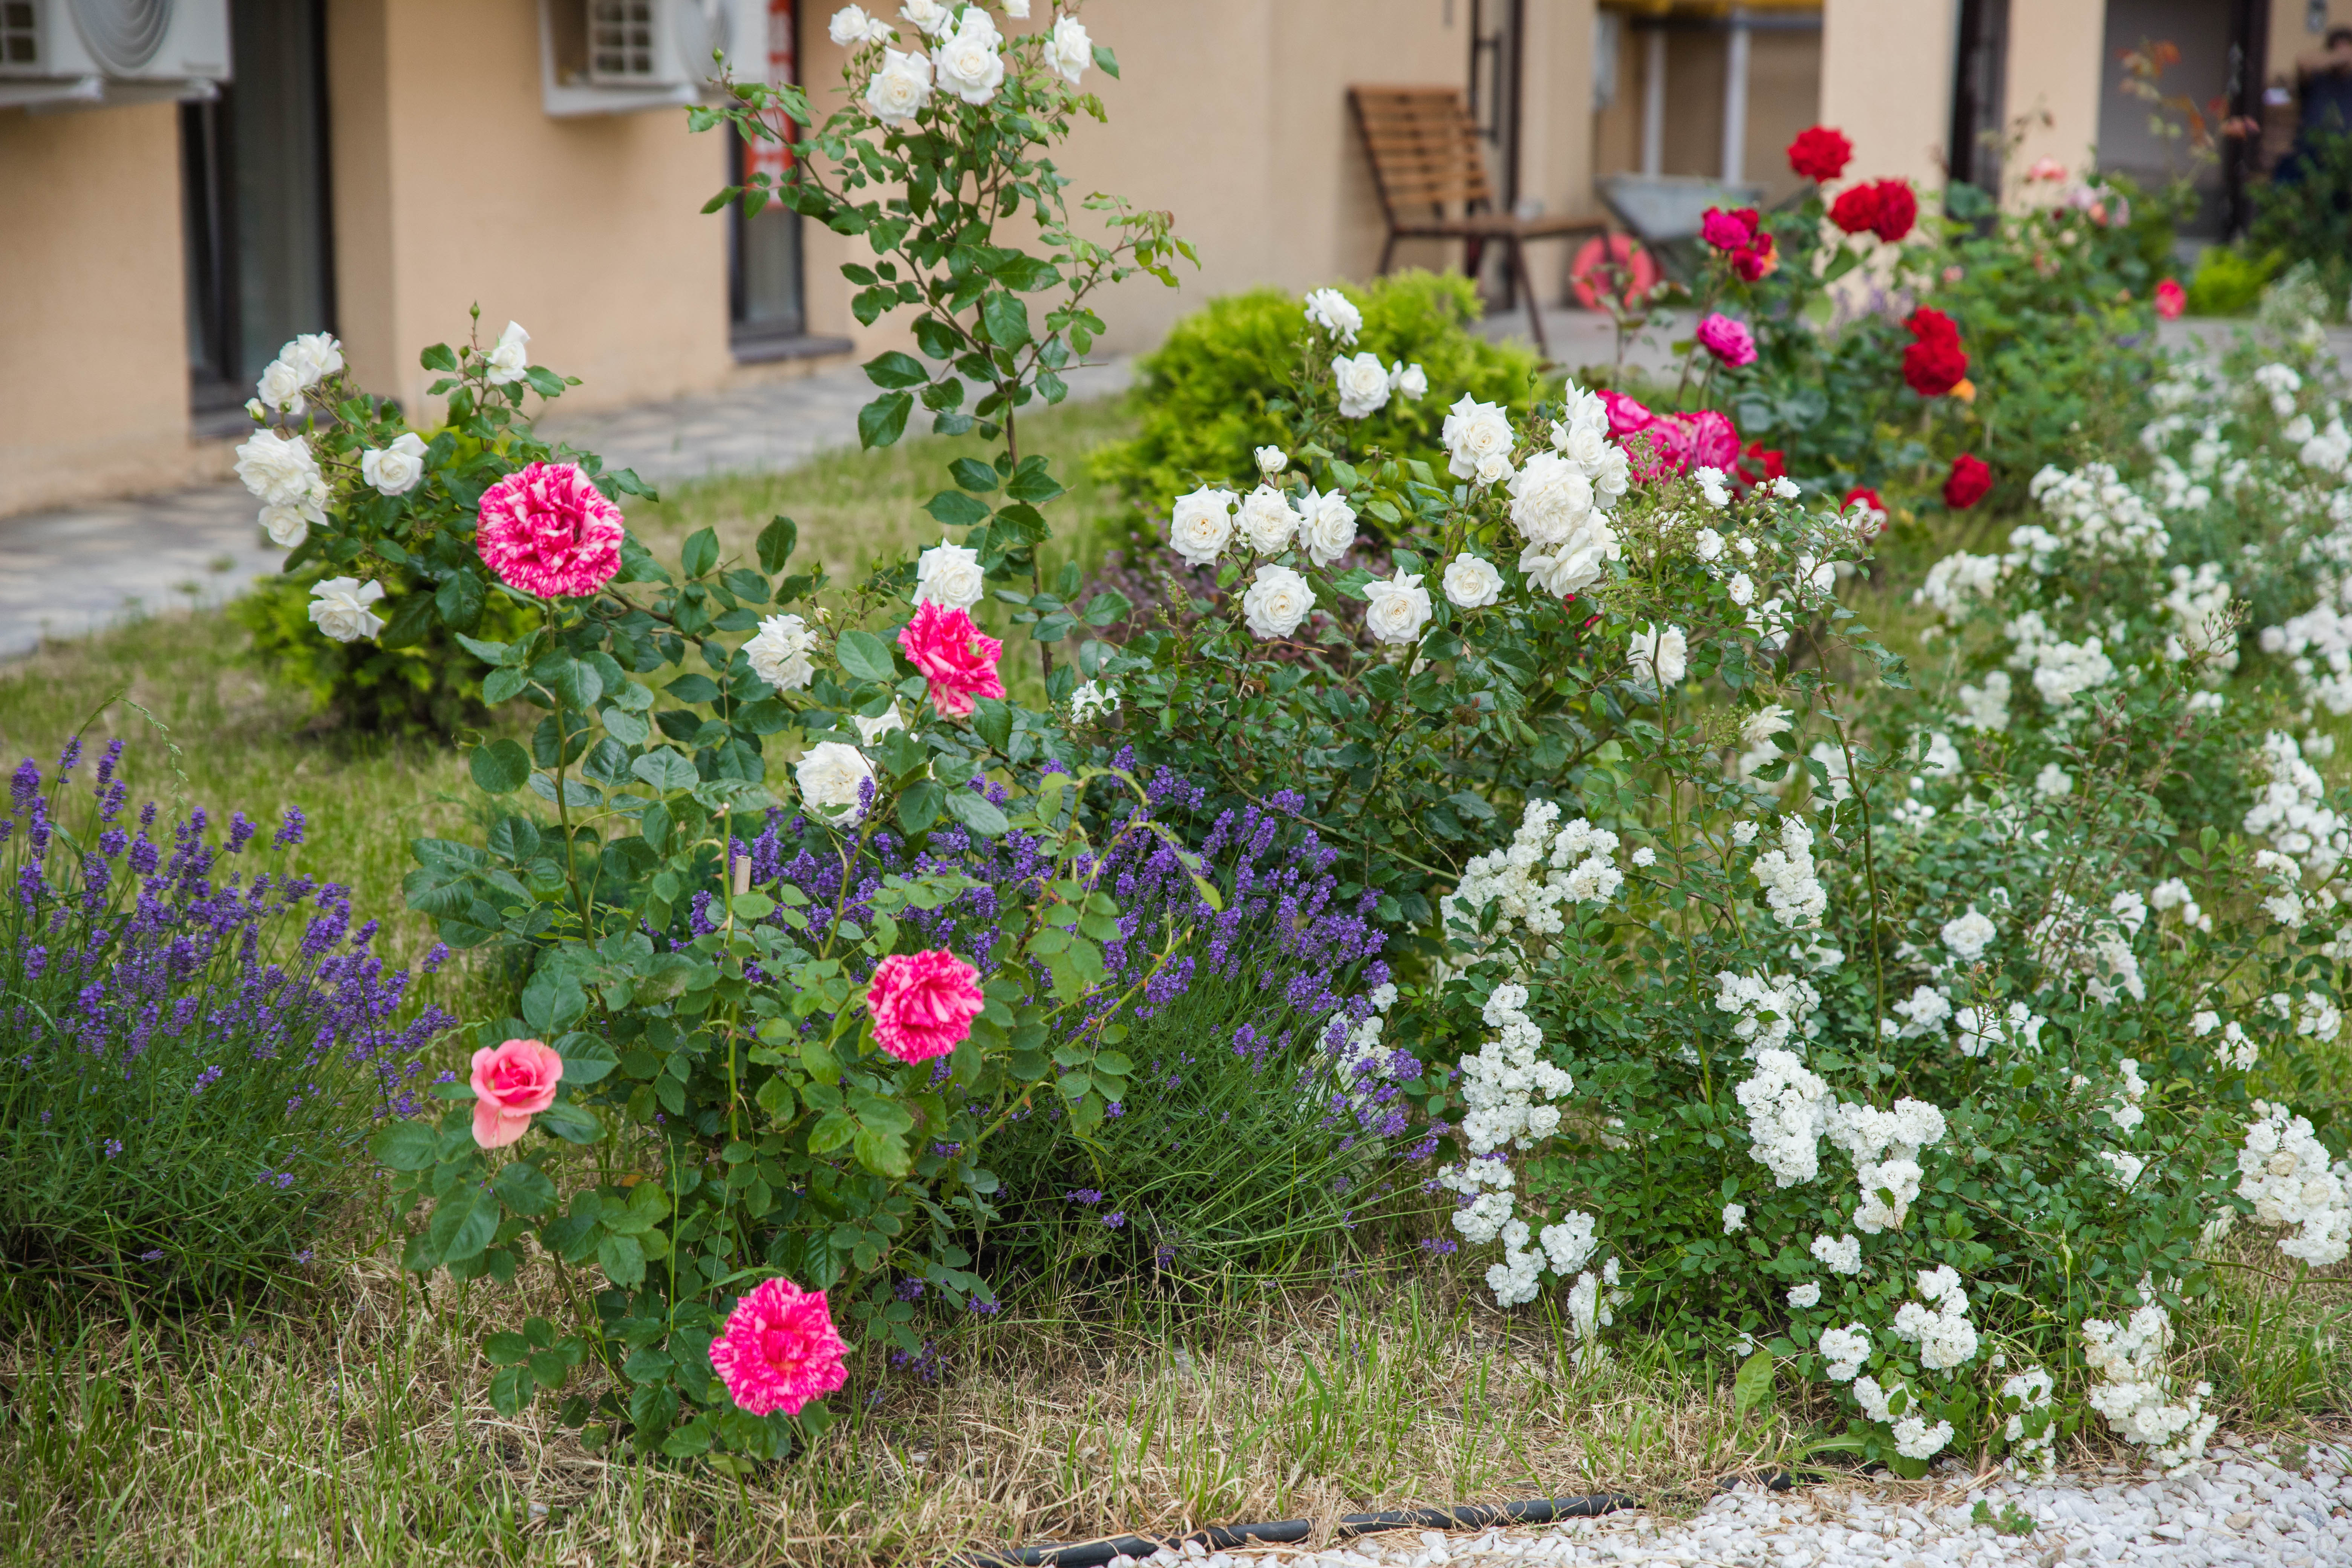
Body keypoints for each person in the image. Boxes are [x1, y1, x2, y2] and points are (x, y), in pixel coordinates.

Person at [2279, 26, 2352, 183]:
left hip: (2346, 155)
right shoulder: (2318, 77)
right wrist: (2337, 58)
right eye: (2336, 48)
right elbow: (2302, 61)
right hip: (2312, 150)